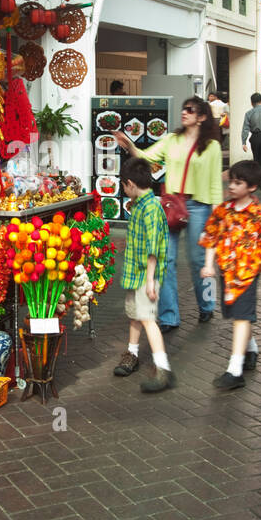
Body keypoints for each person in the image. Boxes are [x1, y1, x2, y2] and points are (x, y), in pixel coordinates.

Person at [116, 96, 223, 329]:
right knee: (166, 260)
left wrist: (218, 214)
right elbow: (147, 156)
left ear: (202, 116)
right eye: (183, 109)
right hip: (172, 204)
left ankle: (207, 304)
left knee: (199, 261)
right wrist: (130, 145)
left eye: (190, 109)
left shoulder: (212, 146)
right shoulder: (171, 140)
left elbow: (215, 183)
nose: (184, 113)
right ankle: (168, 316)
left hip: (200, 206)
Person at [199, 159, 261, 391]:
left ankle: (235, 370)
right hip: (227, 272)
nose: (231, 186)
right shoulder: (223, 211)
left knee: (241, 317)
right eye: (231, 181)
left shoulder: (259, 214)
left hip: (248, 274)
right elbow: (211, 237)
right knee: (237, 315)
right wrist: (208, 265)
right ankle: (251, 347)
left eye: (238, 183)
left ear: (252, 187)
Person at [113, 159, 174, 392]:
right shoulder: (140, 204)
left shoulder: (150, 208)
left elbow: (153, 249)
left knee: (148, 319)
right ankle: (133, 353)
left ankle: (162, 369)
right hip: (136, 273)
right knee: (136, 315)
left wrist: (150, 281)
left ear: (129, 183)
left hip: (145, 276)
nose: (123, 189)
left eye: (123, 185)